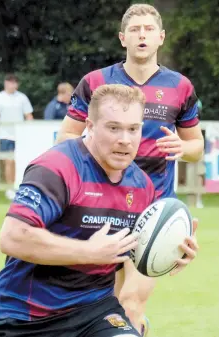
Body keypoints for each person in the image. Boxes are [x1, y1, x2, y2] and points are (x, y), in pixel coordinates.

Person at [0, 85, 198, 337]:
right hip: (26, 317)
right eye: (114, 128)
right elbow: (13, 237)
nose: (125, 139)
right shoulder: (57, 168)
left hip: (96, 311)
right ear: (90, 126)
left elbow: (140, 246)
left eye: (133, 129)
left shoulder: (141, 185)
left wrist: (175, 248)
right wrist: (88, 251)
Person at [56, 3, 203, 334]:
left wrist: (183, 147)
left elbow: (196, 148)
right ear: (123, 37)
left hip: (154, 212)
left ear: (161, 37)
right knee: (102, 304)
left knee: (131, 301)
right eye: (135, 30)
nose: (142, 35)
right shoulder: (96, 81)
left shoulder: (180, 86)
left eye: (149, 29)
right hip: (103, 206)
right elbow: (66, 135)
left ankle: (135, 322)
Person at [0, 74, 33, 200]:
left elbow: (28, 115)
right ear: (5, 83)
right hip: (5, 134)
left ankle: (19, 185)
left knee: (19, 161)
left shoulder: (22, 97)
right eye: (10, 82)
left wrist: (30, 129)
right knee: (8, 161)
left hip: (20, 135)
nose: (12, 85)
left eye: (14, 82)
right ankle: (10, 188)